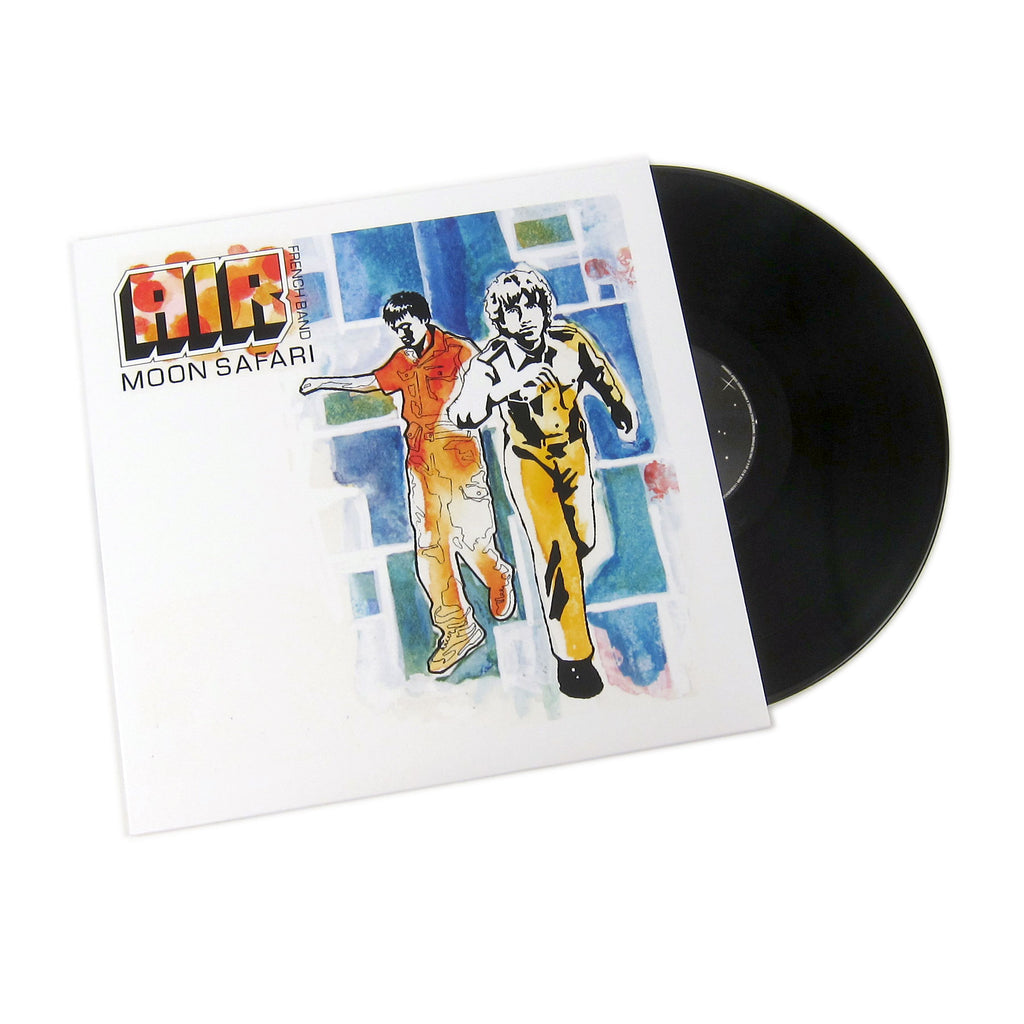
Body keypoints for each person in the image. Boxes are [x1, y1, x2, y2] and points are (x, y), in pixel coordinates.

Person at [300, 291, 515, 676]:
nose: (402, 331)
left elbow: (490, 385)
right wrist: (323, 382)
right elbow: (372, 382)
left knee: (473, 542)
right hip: (421, 468)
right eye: (395, 327)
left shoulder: (458, 351)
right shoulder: (402, 361)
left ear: (423, 318)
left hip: (461, 464)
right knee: (431, 549)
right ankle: (457, 629)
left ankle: (496, 575)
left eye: (406, 323)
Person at [449, 267, 637, 698]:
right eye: (512, 312)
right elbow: (462, 414)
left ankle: (569, 595)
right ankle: (574, 662)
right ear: (500, 321)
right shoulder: (490, 364)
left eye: (531, 306)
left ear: (544, 307)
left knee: (582, 540)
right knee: (555, 554)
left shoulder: (570, 341)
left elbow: (601, 374)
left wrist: (620, 408)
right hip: (528, 461)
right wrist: (504, 388)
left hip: (573, 453)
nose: (525, 318)